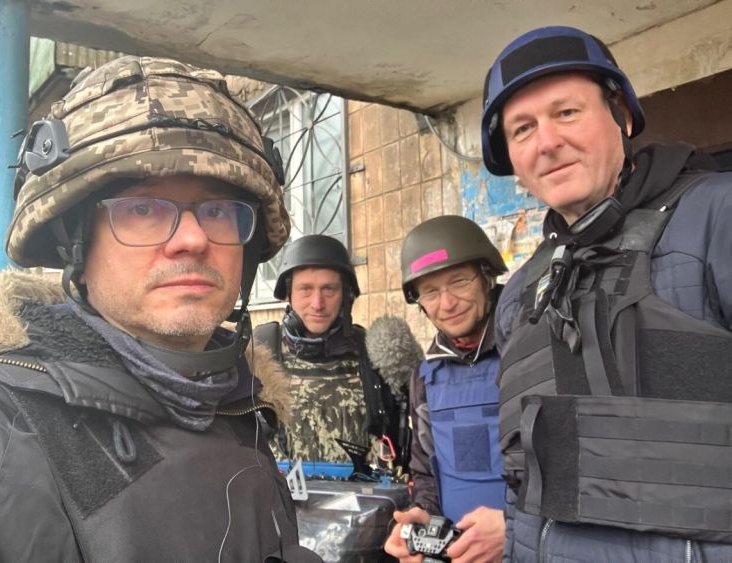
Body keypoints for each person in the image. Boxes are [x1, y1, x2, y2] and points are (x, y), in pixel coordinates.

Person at [0, 56, 322, 562]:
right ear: (76, 246)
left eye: (217, 210)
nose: (193, 239)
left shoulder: (243, 406)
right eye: (142, 208)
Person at [483, 26, 732, 562]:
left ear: (621, 115)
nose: (547, 142)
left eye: (567, 112)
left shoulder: (717, 218)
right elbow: (521, 484)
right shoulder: (520, 295)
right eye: (523, 129)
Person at [384, 215, 509, 563]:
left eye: (458, 282)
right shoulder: (425, 377)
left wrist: (515, 529)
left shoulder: (532, 353)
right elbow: (426, 474)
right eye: (431, 291)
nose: (447, 303)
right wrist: (423, 515)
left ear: (487, 277)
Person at [254, 234, 406, 468]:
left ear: (346, 295)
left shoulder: (374, 355)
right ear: (288, 294)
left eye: (329, 290)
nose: (317, 304)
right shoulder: (259, 353)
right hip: (279, 491)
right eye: (305, 289)